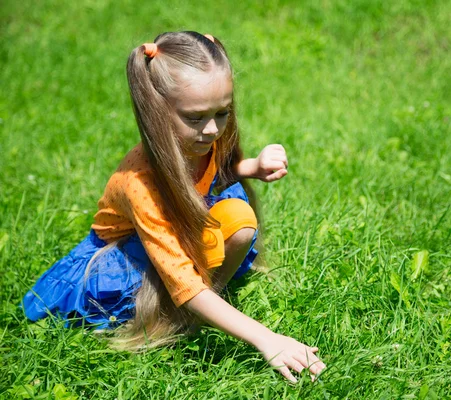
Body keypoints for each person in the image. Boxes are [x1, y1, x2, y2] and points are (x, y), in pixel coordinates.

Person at [22, 31, 325, 383]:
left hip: (178, 222)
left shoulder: (200, 138)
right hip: (129, 251)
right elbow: (181, 278)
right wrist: (266, 338)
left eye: (222, 112)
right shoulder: (141, 183)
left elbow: (207, 178)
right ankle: (172, 319)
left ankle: (200, 310)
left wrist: (251, 167)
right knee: (180, 287)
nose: (212, 129)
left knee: (240, 220)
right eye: (195, 118)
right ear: (157, 112)